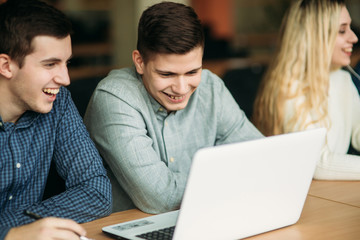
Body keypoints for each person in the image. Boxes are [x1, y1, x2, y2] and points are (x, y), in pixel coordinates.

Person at [84, 1, 263, 214]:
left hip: (205, 215)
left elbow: (260, 158)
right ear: (139, 62)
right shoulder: (115, 98)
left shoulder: (211, 86)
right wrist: (235, 179)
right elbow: (161, 197)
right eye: (167, 74)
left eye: (192, 72)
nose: (181, 88)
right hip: (130, 227)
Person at [0, 0, 112, 239]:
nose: (65, 78)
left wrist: (31, 228)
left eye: (66, 63)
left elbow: (97, 191)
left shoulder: (58, 102)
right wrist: (11, 234)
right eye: (50, 64)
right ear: (6, 65)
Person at [252, 0, 360, 180]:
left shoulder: (342, 79)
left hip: (326, 192)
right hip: (296, 196)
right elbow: (316, 162)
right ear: (316, 36)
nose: (354, 38)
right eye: (342, 30)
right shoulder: (289, 89)